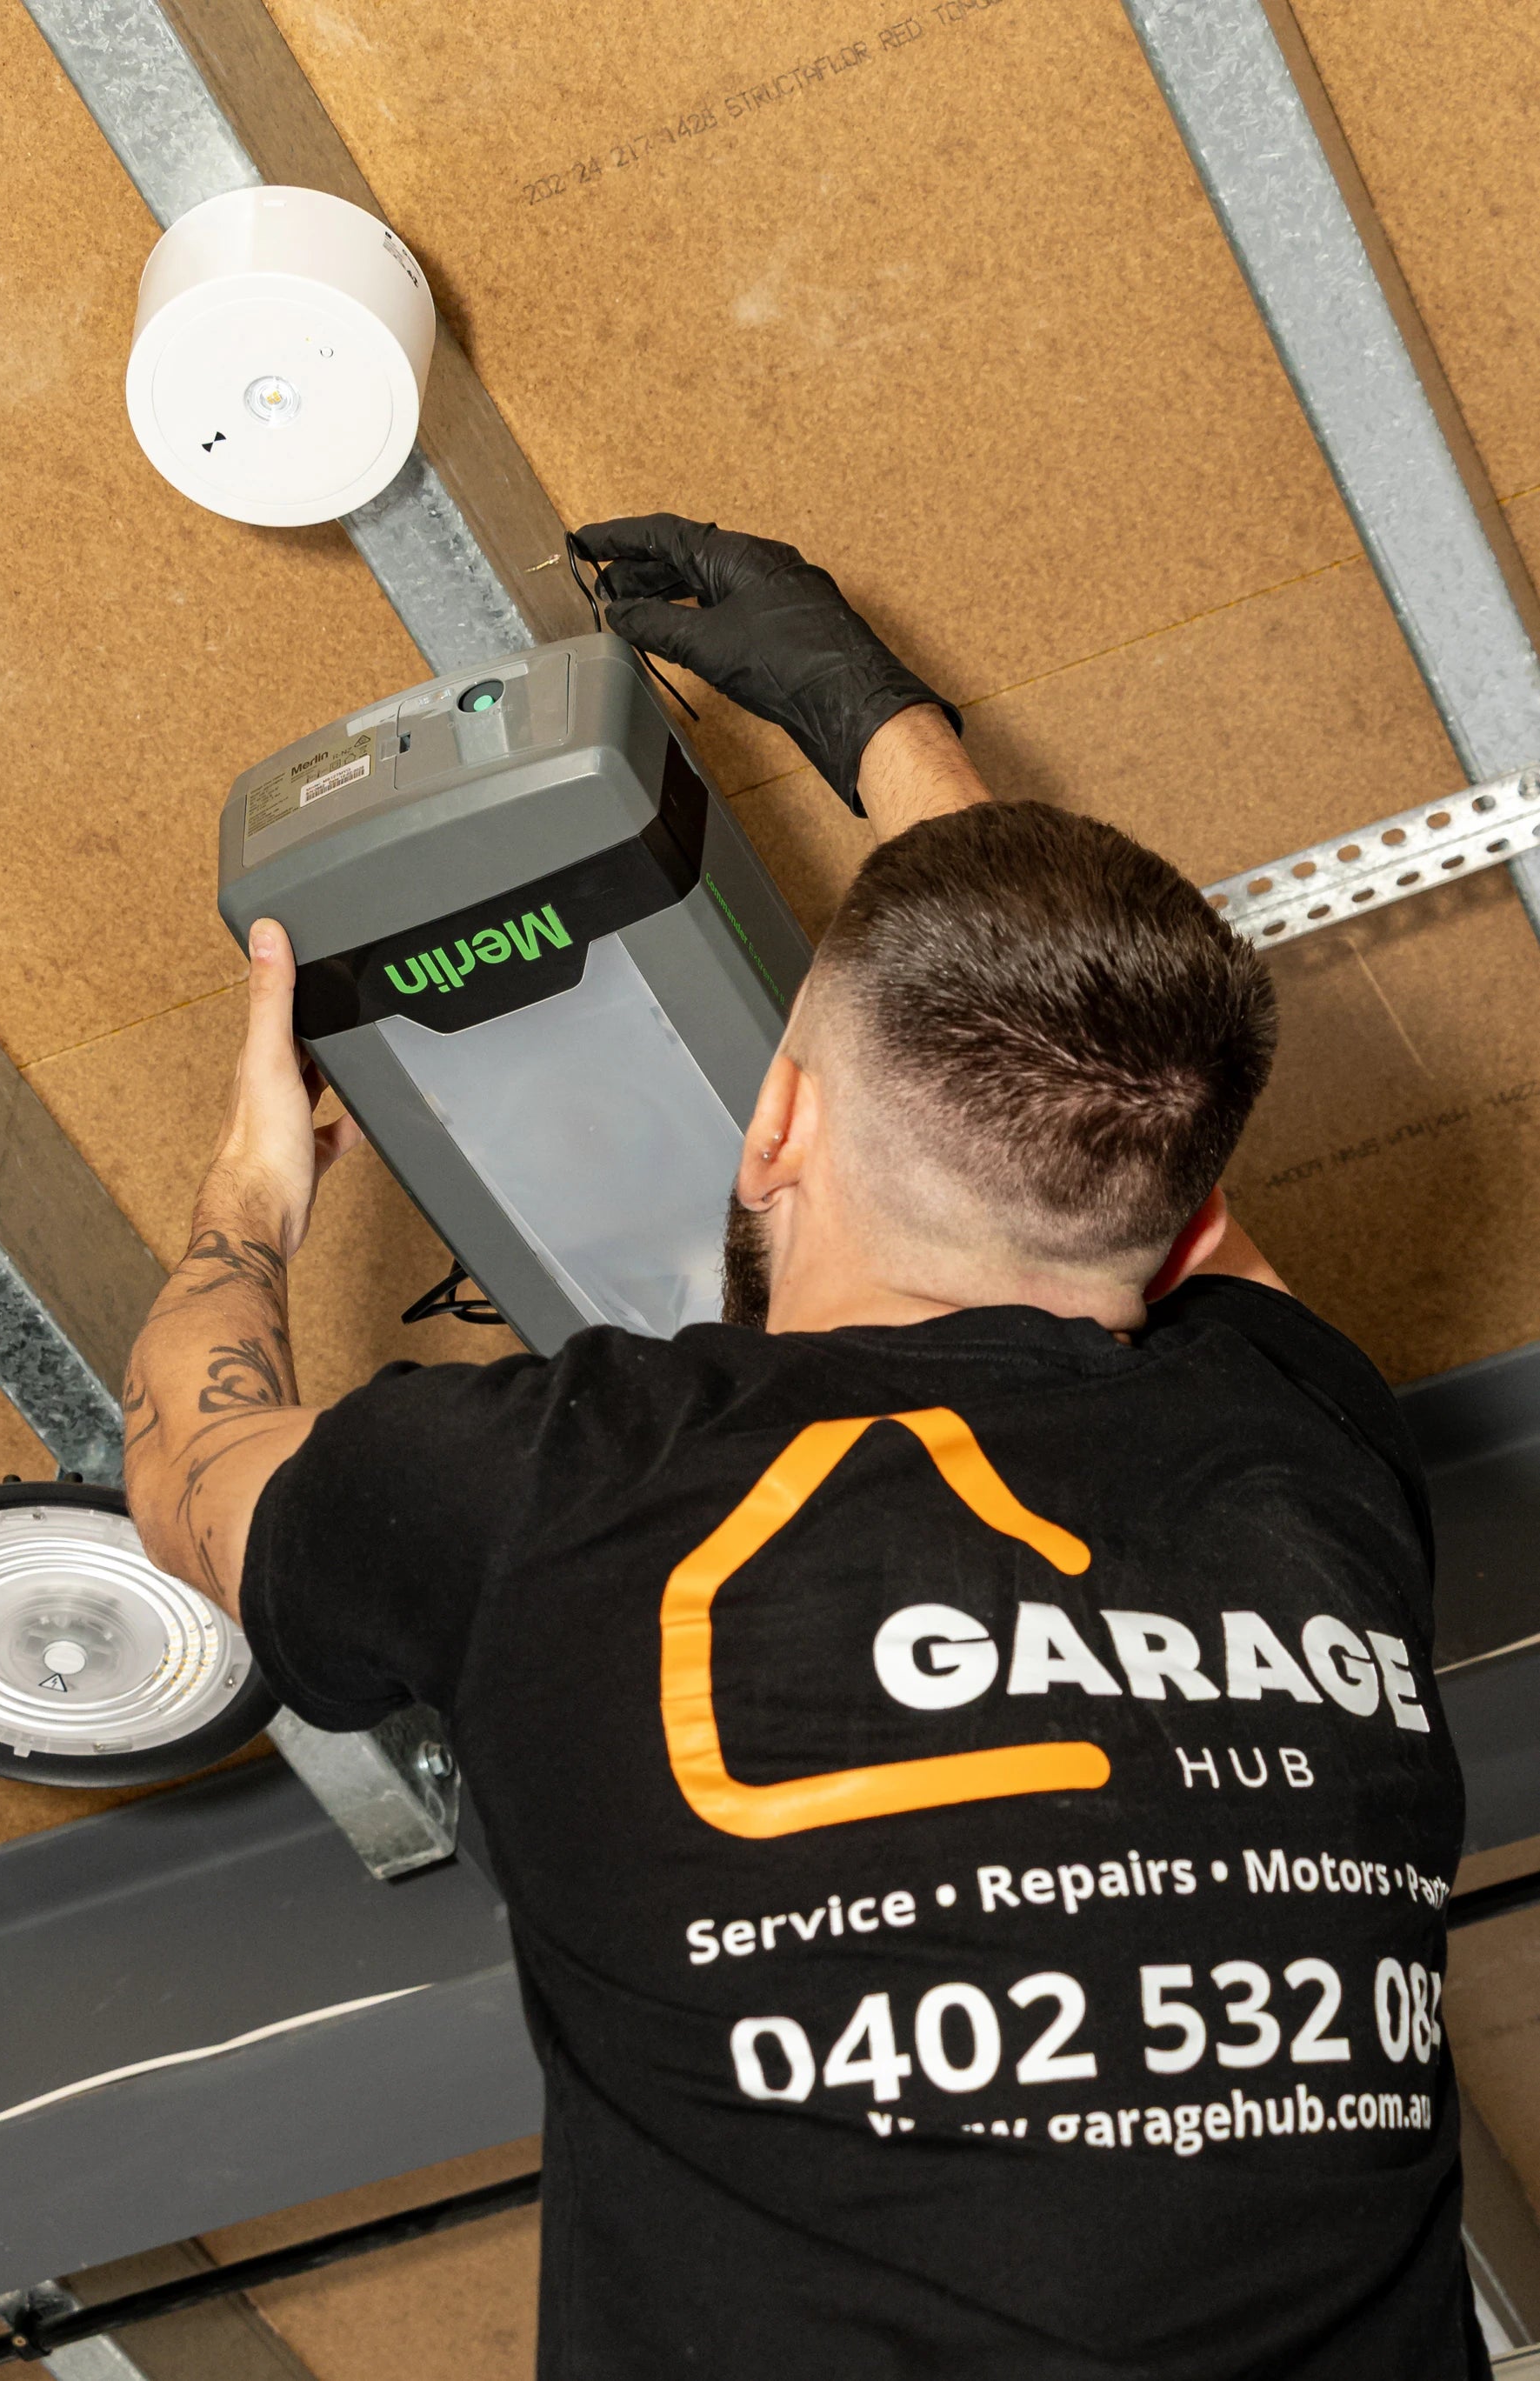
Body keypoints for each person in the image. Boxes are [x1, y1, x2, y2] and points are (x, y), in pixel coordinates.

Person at [123, 517, 1477, 2380]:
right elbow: (1144, 1123)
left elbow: (190, 1479)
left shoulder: (542, 1488)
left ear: (772, 1125)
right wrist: (870, 715)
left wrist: (252, 1192)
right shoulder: (1300, 1456)